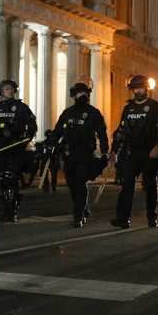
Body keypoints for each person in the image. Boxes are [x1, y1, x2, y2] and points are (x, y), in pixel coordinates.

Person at [110, 75, 158, 229]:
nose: (138, 91)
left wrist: (157, 147)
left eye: (141, 87)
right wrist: (114, 149)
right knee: (127, 185)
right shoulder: (128, 108)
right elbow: (121, 130)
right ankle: (123, 218)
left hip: (149, 152)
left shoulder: (155, 107)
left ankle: (151, 217)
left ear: (146, 88)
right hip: (132, 152)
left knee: (150, 186)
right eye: (135, 88)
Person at [51, 82, 109, 227]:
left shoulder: (94, 113)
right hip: (69, 153)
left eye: (85, 93)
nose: (82, 95)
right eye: (79, 93)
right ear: (73, 95)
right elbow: (57, 131)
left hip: (85, 153)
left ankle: (78, 216)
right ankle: (82, 207)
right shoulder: (67, 112)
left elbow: (102, 133)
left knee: (80, 182)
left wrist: (105, 150)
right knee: (72, 184)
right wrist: (49, 144)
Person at [0, 79, 38, 223]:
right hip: (0, 150)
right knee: (2, 179)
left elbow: (32, 125)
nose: (8, 91)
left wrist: (26, 138)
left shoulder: (21, 107)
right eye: (5, 89)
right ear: (1, 91)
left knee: (10, 178)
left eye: (10, 89)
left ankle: (11, 210)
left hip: (15, 149)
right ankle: (7, 208)